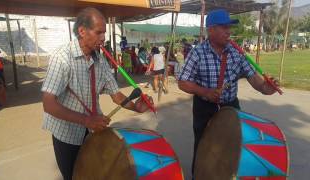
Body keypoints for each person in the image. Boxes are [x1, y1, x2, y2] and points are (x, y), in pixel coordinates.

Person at [41, 7, 153, 180]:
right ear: (82, 31)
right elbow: (48, 103)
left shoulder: (99, 59)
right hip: (66, 133)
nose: (103, 38)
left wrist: (136, 107)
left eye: (104, 33)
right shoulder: (62, 58)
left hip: (93, 129)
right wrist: (86, 120)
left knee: (95, 173)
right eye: (98, 32)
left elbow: (116, 95)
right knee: (73, 176)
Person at [177, 9, 279, 179]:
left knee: (233, 146)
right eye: (224, 27)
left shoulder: (236, 53)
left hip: (231, 107)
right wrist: (206, 92)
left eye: (229, 28)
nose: (229, 32)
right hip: (205, 107)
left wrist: (266, 88)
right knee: (204, 146)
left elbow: (254, 78)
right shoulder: (198, 53)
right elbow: (183, 82)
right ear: (211, 30)